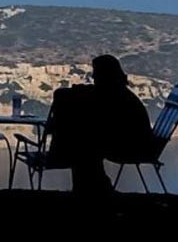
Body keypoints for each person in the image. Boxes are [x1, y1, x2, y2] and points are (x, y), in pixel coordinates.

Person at [46, 54, 153, 193]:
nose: (94, 77)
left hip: (131, 146)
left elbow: (98, 115)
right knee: (81, 138)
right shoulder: (117, 91)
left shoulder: (114, 96)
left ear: (105, 75)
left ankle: (89, 185)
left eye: (96, 74)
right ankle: (93, 185)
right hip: (129, 141)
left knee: (82, 141)